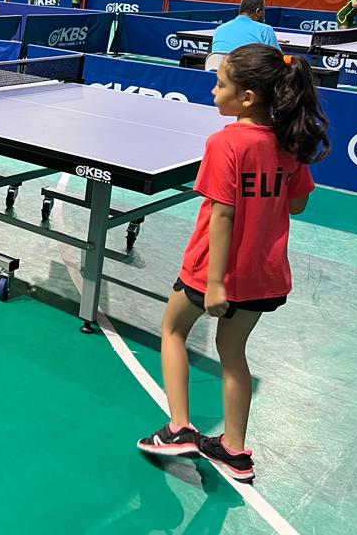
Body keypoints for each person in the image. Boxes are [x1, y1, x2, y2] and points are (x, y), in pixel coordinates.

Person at [137, 43, 329, 482]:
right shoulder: (287, 142)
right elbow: (297, 204)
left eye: (220, 83)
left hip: (212, 270)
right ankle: (236, 452)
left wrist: (216, 283)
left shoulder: (224, 142)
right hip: (264, 275)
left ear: (246, 97)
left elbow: (222, 215)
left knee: (172, 330)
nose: (213, 90)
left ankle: (179, 428)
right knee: (233, 353)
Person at [211, 0, 281, 53]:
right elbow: (278, 59)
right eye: (264, 10)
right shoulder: (265, 30)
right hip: (248, 65)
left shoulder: (219, 29)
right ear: (258, 11)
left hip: (222, 65)